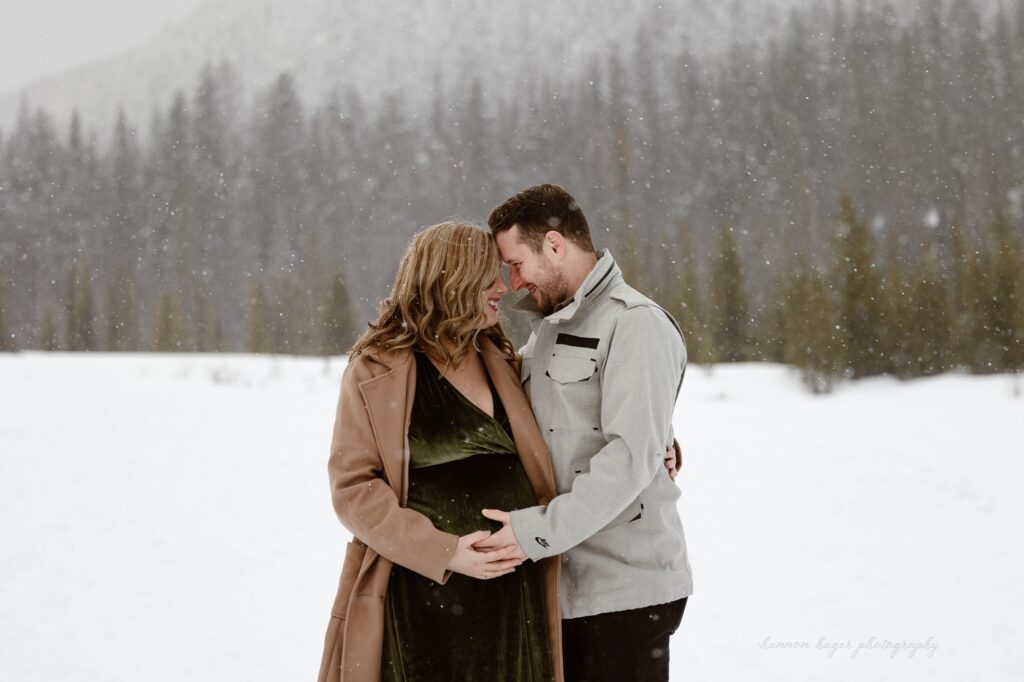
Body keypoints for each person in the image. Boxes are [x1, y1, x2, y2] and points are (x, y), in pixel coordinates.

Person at [316, 222, 564, 682]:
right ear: (452, 279)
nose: (503, 287)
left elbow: (568, 421)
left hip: (512, 599)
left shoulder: (503, 359)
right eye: (489, 275)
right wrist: (445, 551)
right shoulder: (376, 370)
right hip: (421, 597)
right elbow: (353, 489)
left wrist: (655, 445)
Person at [477, 184, 693, 682]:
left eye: (516, 263)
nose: (511, 283)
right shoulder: (550, 326)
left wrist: (533, 534)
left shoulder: (635, 323)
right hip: (566, 588)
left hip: (623, 593)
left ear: (555, 245)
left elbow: (629, 458)